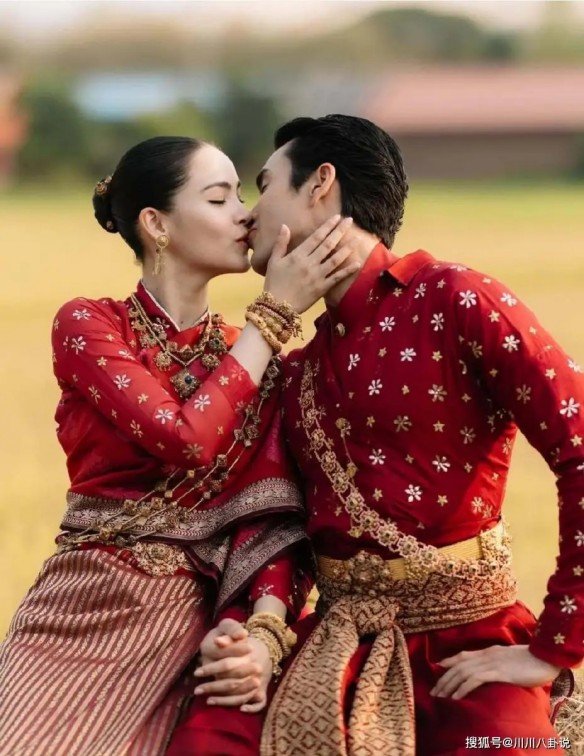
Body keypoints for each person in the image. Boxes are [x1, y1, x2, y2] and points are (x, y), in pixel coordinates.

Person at [171, 116, 584, 756]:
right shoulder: (298, 368)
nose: (248, 214)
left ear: (321, 184)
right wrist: (257, 635)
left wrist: (554, 649)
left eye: (264, 186)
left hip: (469, 645)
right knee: (210, 739)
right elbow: (277, 523)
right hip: (336, 644)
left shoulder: (456, 300)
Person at [0, 135, 360, 756]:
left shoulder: (253, 356)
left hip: (195, 626)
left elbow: (271, 519)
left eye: (243, 196)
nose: (245, 214)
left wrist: (263, 633)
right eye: (220, 199)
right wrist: (274, 314)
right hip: (81, 608)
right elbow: (184, 438)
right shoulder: (90, 325)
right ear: (156, 224)